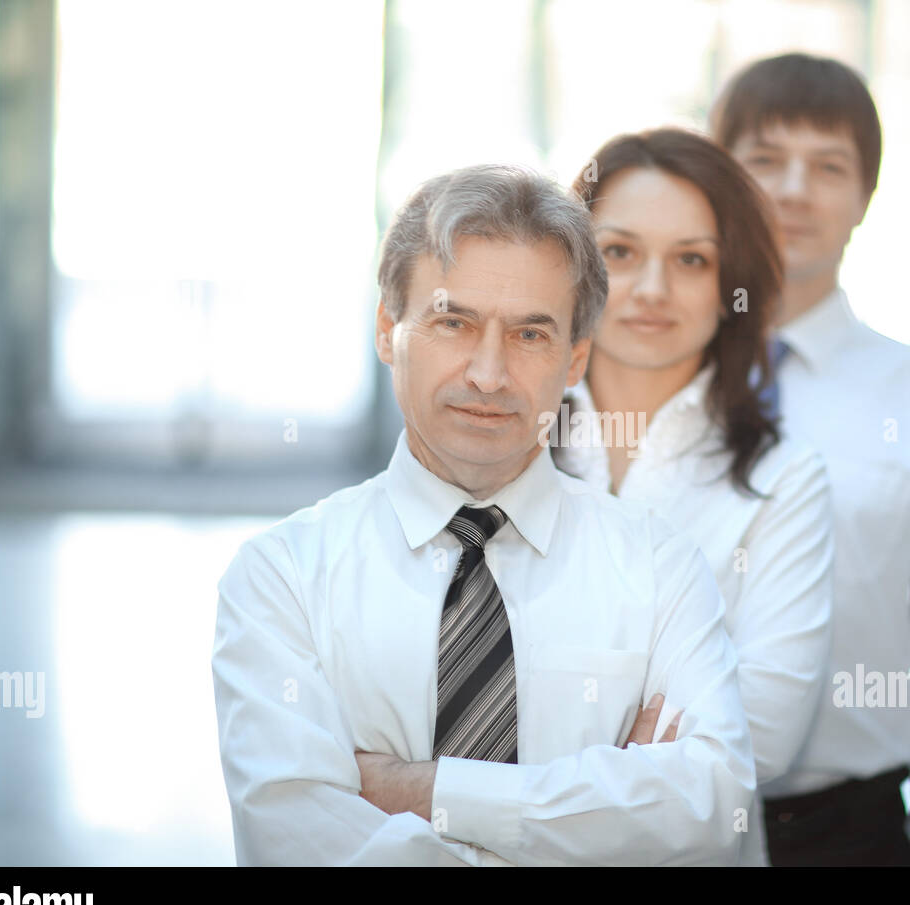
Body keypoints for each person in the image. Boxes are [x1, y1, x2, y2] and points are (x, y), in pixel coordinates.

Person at [211, 164, 756, 866]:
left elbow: (711, 805)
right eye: (452, 322)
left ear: (574, 360)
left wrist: (418, 790)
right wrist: (601, 812)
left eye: (531, 335)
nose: (489, 375)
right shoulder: (280, 578)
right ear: (388, 330)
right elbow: (297, 842)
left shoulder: (658, 567)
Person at [710, 52, 910, 867]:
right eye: (765, 159)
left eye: (829, 165)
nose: (794, 189)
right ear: (719, 184)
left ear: (865, 198)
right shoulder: (642, 380)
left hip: (848, 831)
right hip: (642, 823)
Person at [553, 128, 834, 866]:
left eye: (691, 260)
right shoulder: (498, 442)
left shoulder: (784, 478)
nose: (651, 290)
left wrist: (537, 740)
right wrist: (659, 747)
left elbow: (761, 740)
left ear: (731, 285)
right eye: (619, 252)